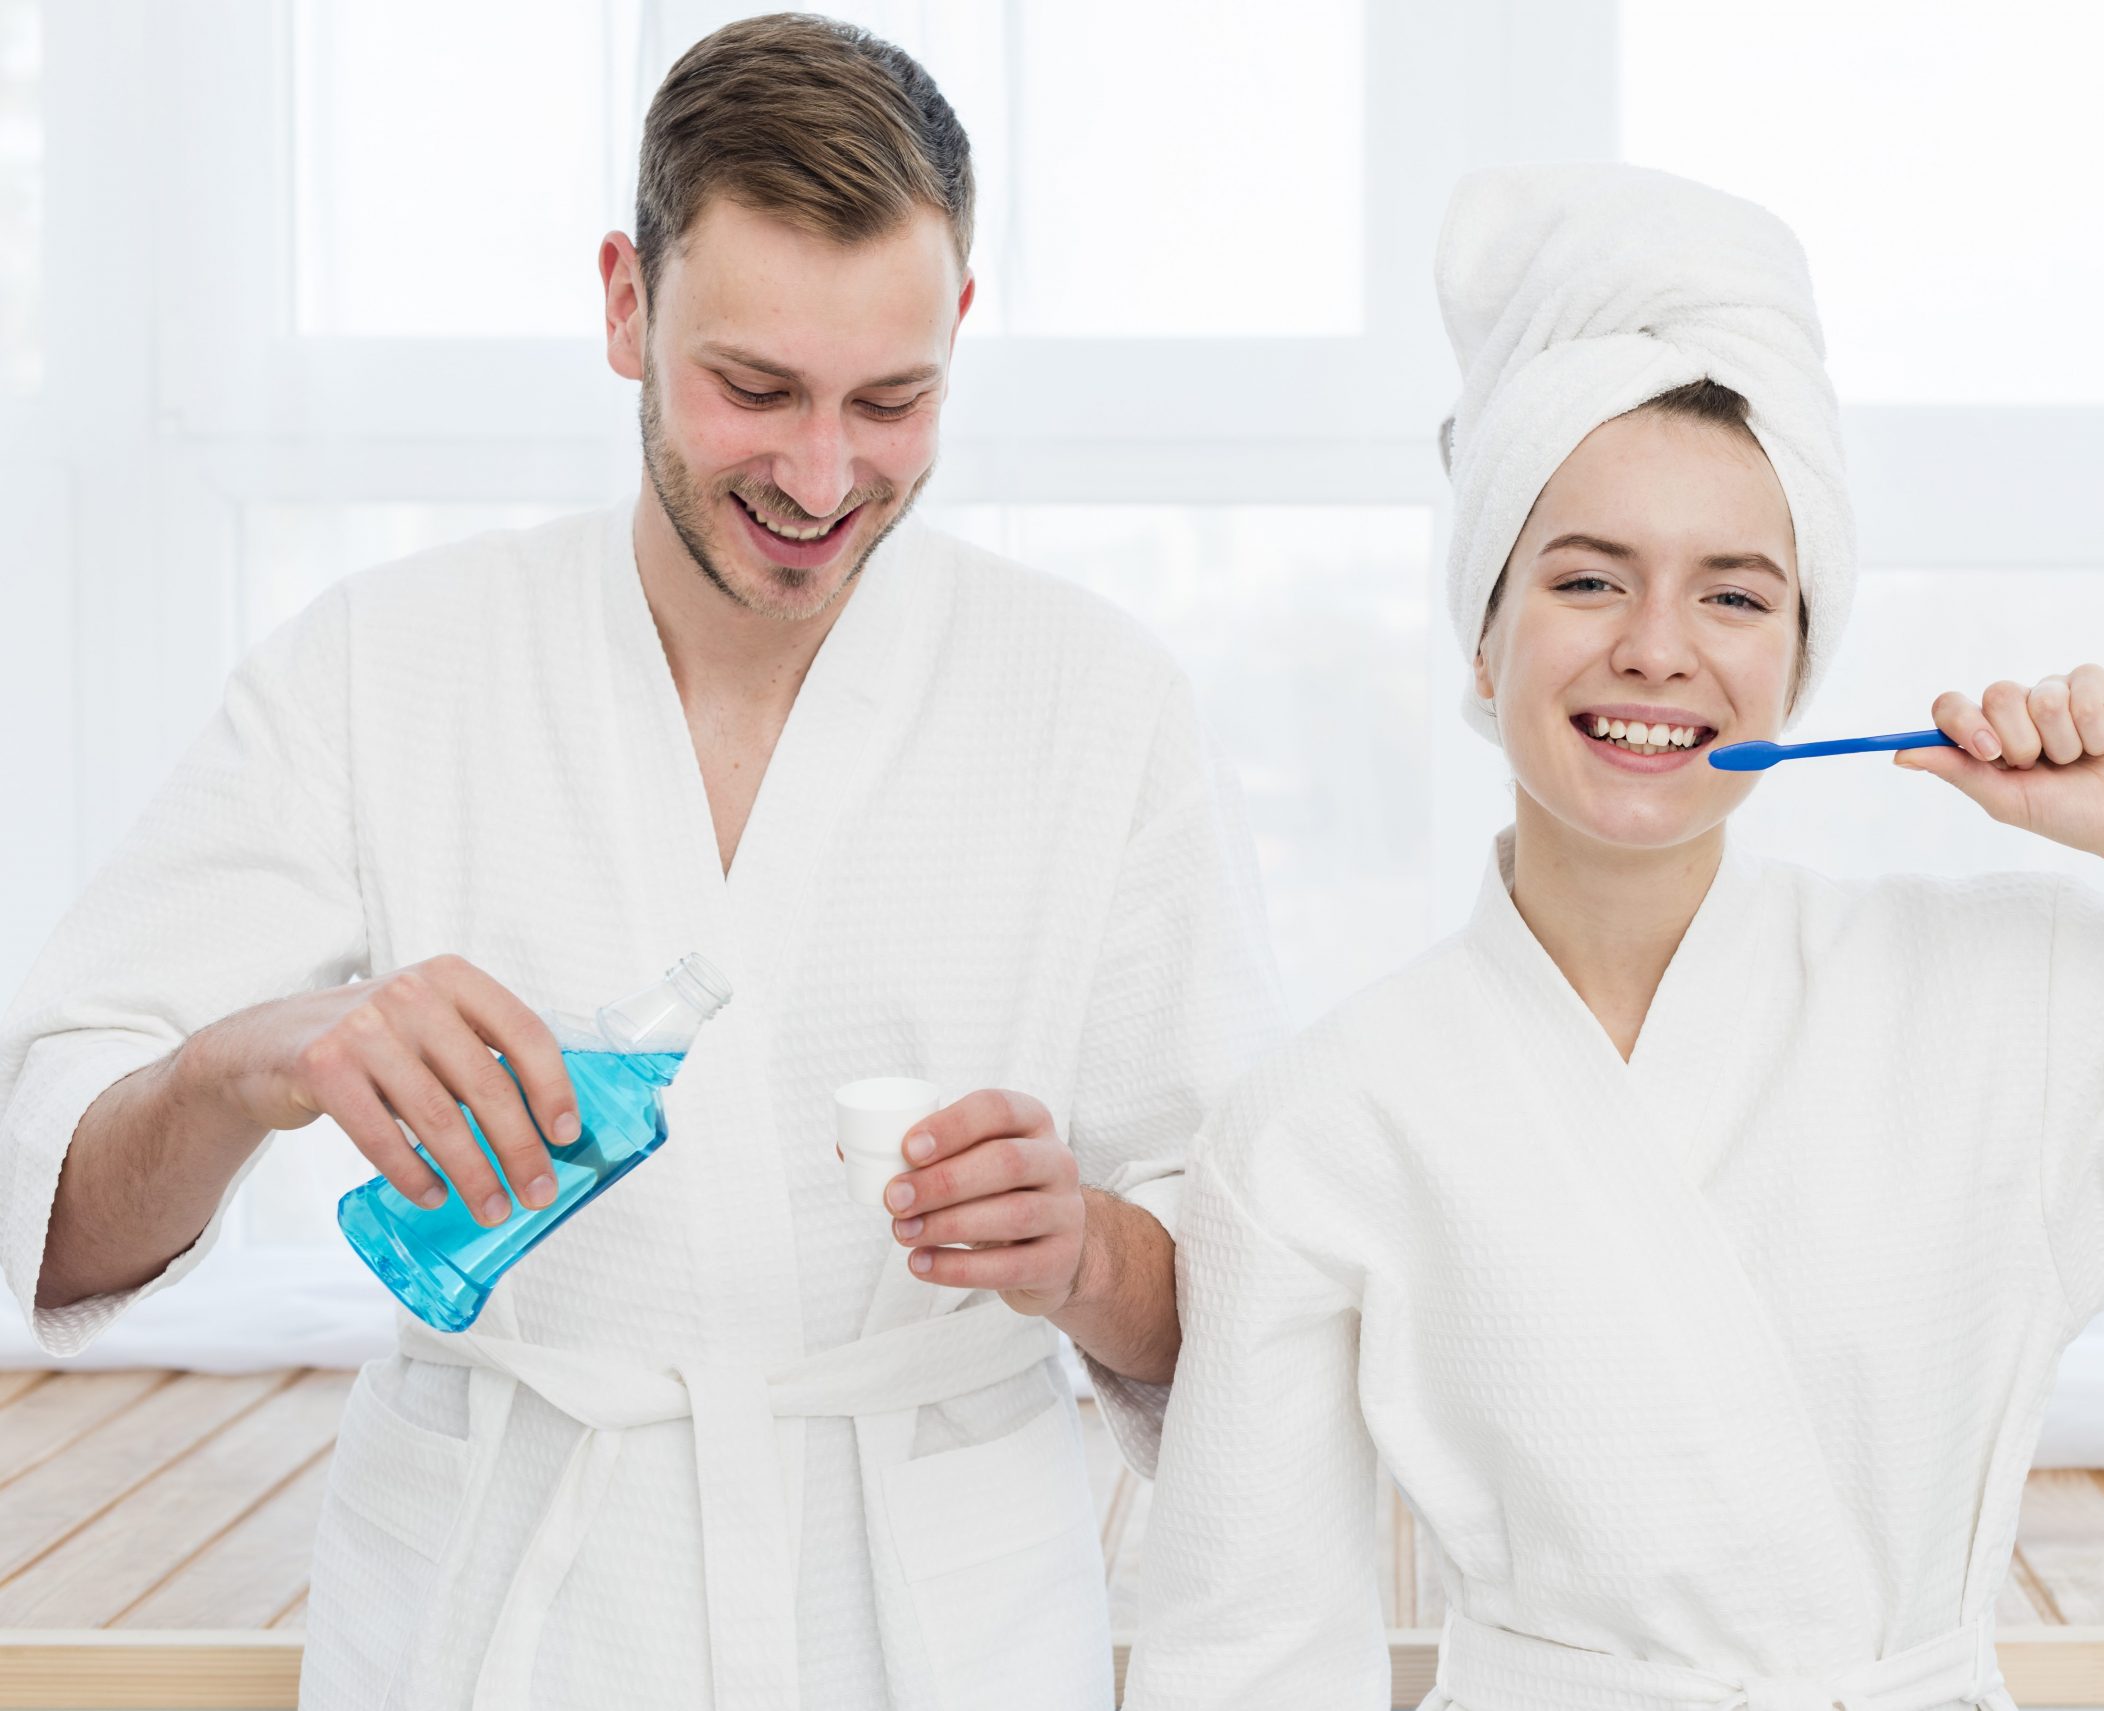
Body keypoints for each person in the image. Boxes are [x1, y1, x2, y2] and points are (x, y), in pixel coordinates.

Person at [1122, 163, 2104, 1711]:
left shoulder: (2012, 1001)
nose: (1658, 648)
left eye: (1736, 596)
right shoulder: (1321, 1123)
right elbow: (1248, 1649)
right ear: (1483, 636)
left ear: (1801, 663)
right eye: (1589, 578)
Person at [0, 16, 1279, 1710]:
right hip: (499, 1611)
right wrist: (258, 1063)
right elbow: (57, 1224)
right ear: (624, 302)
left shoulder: (1096, 702)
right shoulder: (385, 666)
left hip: (936, 1626)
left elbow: (1243, 1311)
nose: (823, 478)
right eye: (753, 390)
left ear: (961, 326)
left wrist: (1082, 1254)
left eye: (891, 402)